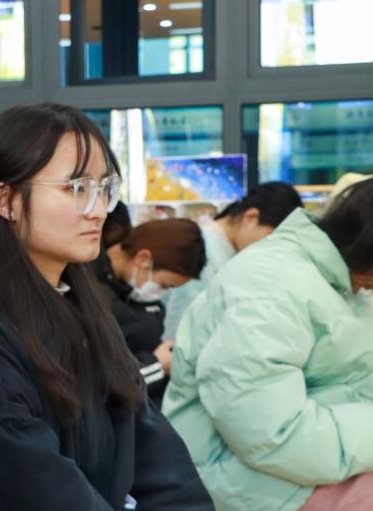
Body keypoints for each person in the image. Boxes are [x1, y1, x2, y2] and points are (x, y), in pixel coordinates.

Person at [0, 103, 213, 510]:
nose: (98, 209)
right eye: (76, 188)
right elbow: (38, 487)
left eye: (103, 188)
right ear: (6, 200)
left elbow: (150, 444)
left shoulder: (80, 303)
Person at [162, 179, 373, 511]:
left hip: (296, 461)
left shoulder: (341, 281)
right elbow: (271, 434)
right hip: (240, 476)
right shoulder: (269, 289)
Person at [164, 182, 301, 338]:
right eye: (270, 237)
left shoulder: (226, 250)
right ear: (251, 217)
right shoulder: (203, 250)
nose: (271, 248)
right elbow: (181, 325)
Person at [94, 218, 206, 402]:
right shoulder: (89, 293)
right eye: (165, 285)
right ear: (143, 258)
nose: (161, 293)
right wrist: (157, 365)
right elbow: (102, 388)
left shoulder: (132, 296)